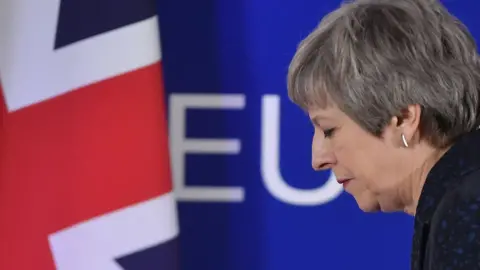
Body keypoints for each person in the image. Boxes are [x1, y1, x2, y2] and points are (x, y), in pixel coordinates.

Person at [287, 0, 480, 269]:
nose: (318, 159)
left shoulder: (467, 208)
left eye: (329, 130)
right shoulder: (454, 200)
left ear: (404, 119)